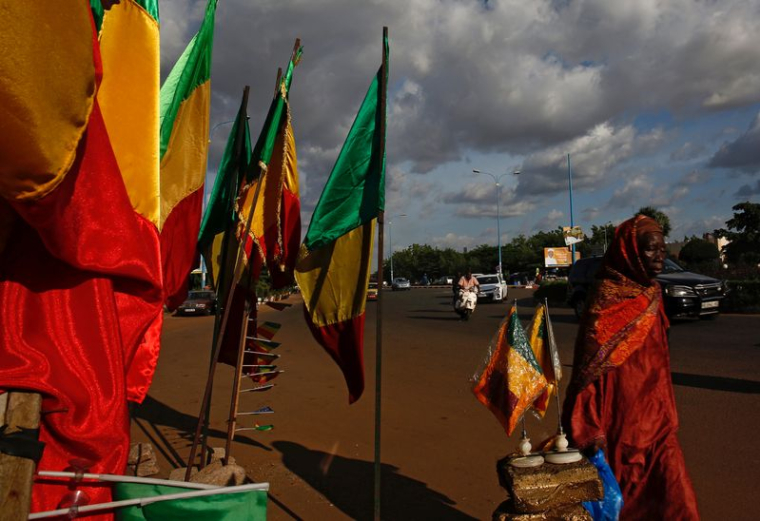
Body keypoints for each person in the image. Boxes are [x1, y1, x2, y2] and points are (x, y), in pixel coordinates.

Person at [562, 215, 699, 519]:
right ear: (631, 252)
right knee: (623, 499)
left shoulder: (653, 294)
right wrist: (588, 426)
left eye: (663, 249)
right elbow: (588, 372)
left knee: (676, 496)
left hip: (658, 418)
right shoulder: (606, 298)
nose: (660, 255)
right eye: (651, 249)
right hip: (619, 421)